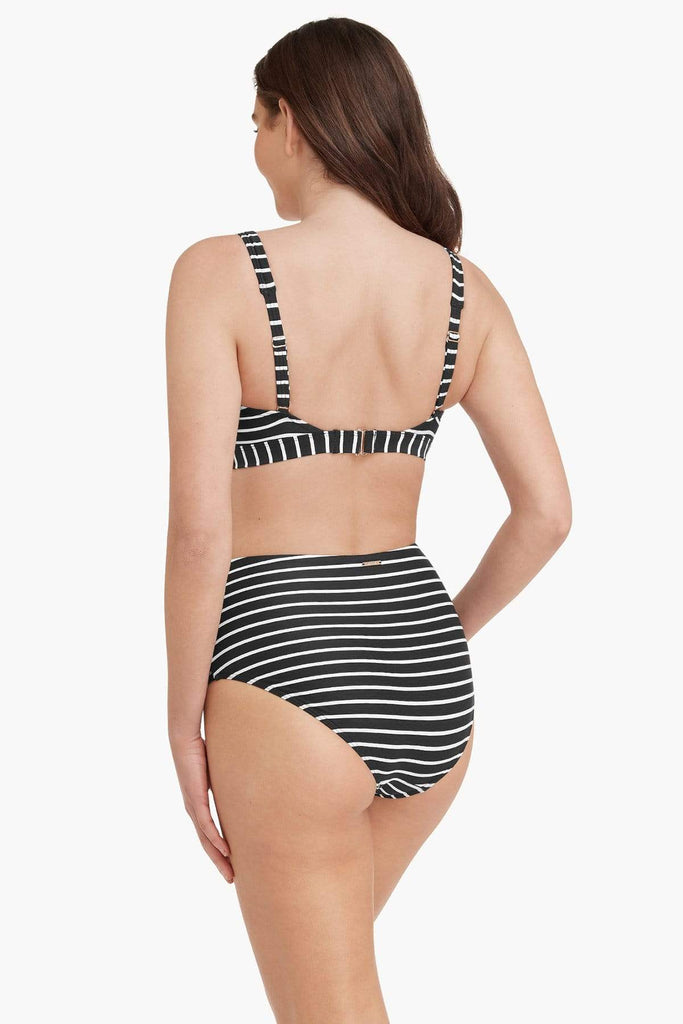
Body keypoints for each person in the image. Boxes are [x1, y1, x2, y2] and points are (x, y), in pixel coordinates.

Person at [164, 16, 571, 1024]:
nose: (254, 147)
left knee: (328, 1011)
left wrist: (181, 721)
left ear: (293, 122)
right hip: (424, 671)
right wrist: (437, 635)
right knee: (336, 995)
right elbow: (546, 512)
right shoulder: (463, 292)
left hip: (283, 666)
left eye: (254, 123)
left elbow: (201, 532)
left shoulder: (220, 272)